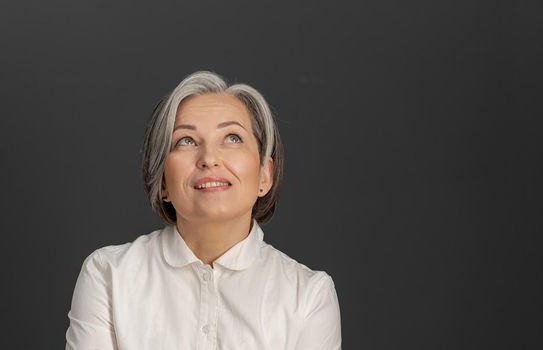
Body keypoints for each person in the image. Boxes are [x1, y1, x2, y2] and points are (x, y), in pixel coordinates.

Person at [65, 71, 342, 349]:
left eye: (232, 138)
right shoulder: (108, 275)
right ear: (162, 180)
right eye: (186, 141)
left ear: (264, 175)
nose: (209, 158)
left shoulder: (308, 295)